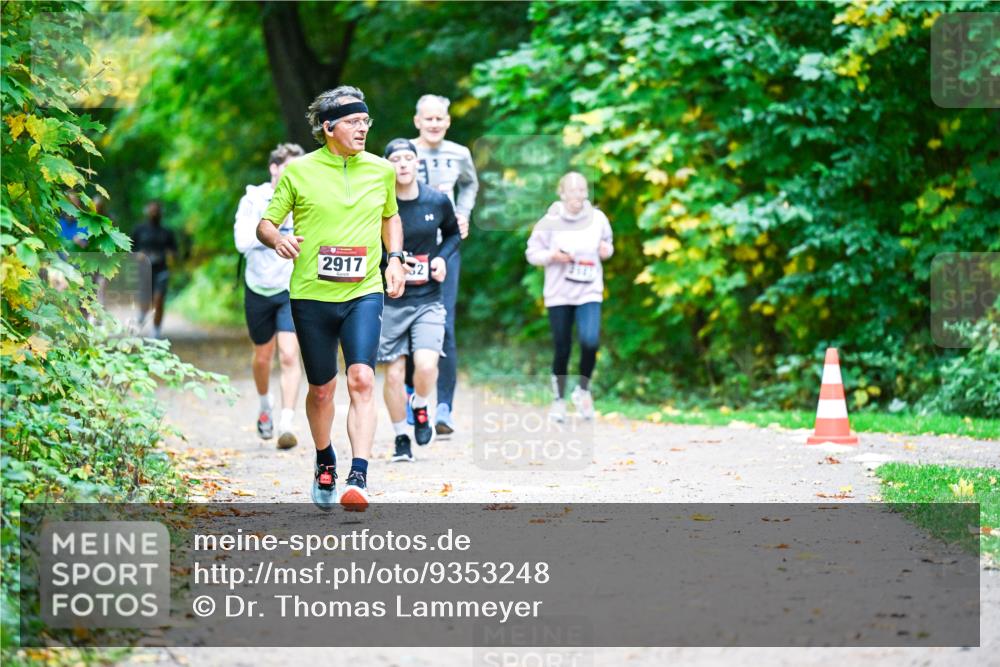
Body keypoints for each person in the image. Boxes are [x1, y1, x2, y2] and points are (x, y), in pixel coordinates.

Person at [256, 86, 406, 512]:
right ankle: (325, 459)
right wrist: (277, 239)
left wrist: (395, 258)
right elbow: (266, 224)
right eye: (353, 122)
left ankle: (359, 476)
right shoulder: (299, 172)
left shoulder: (381, 170)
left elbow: (391, 217)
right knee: (322, 389)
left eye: (365, 122)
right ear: (328, 127)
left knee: (362, 378)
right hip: (311, 295)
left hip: (363, 291)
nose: (363, 129)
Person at [378, 138, 460, 462]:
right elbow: (367, 245)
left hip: (428, 298)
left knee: (426, 365)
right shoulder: (379, 203)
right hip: (390, 300)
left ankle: (421, 405)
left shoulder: (436, 200)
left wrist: (440, 259)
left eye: (407, 158)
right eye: (395, 159)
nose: (402, 164)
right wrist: (391, 263)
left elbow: (453, 233)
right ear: (387, 166)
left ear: (417, 163)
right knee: (394, 374)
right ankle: (401, 437)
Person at [411, 94, 479, 437]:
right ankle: (412, 399)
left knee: (445, 324)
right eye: (429, 119)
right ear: (417, 121)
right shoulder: (404, 152)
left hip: (446, 245)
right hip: (410, 248)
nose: (434, 124)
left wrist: (463, 213)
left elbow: (470, 184)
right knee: (408, 321)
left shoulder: (459, 153)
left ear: (448, 122)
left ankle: (444, 409)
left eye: (440, 119)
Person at [525, 172, 613, 421]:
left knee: (590, 341)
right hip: (559, 293)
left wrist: (606, 250)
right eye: (572, 191)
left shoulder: (598, 219)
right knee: (562, 347)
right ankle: (558, 400)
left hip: (589, 290)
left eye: (582, 190)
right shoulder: (550, 220)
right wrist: (552, 256)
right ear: (562, 193)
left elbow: (608, 246)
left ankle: (583, 391)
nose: (578, 195)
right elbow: (532, 253)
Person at [234, 143, 305, 449]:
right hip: (258, 286)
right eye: (288, 168)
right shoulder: (253, 199)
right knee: (263, 357)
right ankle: (266, 405)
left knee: (289, 354)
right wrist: (278, 237)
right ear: (274, 168)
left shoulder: (304, 197)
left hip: (291, 287)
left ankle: (287, 422)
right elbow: (242, 241)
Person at [132, 201, 177, 339]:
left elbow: (174, 251)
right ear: (147, 212)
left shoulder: (167, 232)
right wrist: (137, 255)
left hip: (161, 270)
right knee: (145, 301)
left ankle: (156, 330)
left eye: (156, 211)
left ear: (161, 213)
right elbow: (130, 248)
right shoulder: (139, 230)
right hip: (144, 270)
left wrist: (171, 256)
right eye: (152, 210)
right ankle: (141, 316)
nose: (154, 213)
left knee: (159, 300)